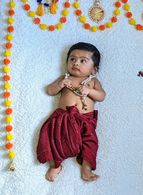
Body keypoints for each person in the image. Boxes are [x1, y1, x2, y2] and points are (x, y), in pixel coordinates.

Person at [37, 42, 106, 182]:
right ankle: (56, 164)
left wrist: (90, 91)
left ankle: (86, 168)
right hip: (63, 117)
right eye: (72, 59)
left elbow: (102, 96)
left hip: (85, 119)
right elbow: (50, 91)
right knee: (54, 138)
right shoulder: (65, 78)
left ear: (94, 69)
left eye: (83, 61)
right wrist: (59, 85)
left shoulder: (92, 81)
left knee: (90, 141)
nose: (76, 63)